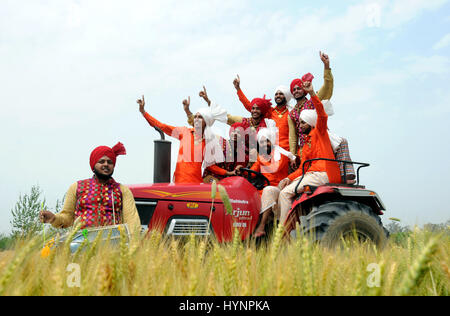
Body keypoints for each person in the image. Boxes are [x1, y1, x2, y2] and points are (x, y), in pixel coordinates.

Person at [39, 142, 141, 236]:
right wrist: (53, 218)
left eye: (109, 162)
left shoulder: (123, 190)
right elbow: (68, 218)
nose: (106, 164)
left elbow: (132, 223)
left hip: (113, 246)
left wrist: (132, 246)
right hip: (82, 244)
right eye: (101, 161)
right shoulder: (76, 187)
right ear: (93, 165)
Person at [277, 81, 341, 227]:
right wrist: (288, 178)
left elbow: (321, 114)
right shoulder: (305, 145)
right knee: (281, 189)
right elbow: (302, 169)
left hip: (324, 173)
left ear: (311, 123)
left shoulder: (320, 132)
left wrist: (312, 93)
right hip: (311, 175)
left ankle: (282, 232)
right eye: (299, 122)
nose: (299, 125)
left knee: (285, 194)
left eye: (302, 123)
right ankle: (296, 227)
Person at [139, 94, 227, 183]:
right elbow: (162, 126)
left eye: (200, 117)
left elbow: (210, 166)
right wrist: (144, 112)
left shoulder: (208, 142)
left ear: (206, 122)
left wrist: (228, 173)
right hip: (179, 181)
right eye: (195, 117)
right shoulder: (184, 132)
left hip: (195, 183)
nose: (196, 119)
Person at [239, 119, 296, 237]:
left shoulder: (281, 155)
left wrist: (263, 160)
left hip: (279, 188)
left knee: (268, 190)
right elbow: (253, 173)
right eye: (262, 143)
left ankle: (261, 227)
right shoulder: (261, 157)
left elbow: (275, 168)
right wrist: (242, 170)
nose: (265, 145)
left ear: (272, 142)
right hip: (265, 189)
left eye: (267, 142)